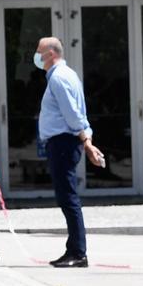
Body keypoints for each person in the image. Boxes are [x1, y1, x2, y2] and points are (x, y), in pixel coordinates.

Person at [33, 36, 103, 268]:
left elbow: (73, 115)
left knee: (68, 198)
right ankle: (73, 249)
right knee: (67, 197)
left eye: (39, 51)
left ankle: (78, 252)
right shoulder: (68, 75)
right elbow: (79, 113)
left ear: (51, 54)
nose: (36, 55)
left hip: (63, 142)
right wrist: (87, 138)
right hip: (65, 141)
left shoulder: (59, 79)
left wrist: (86, 140)